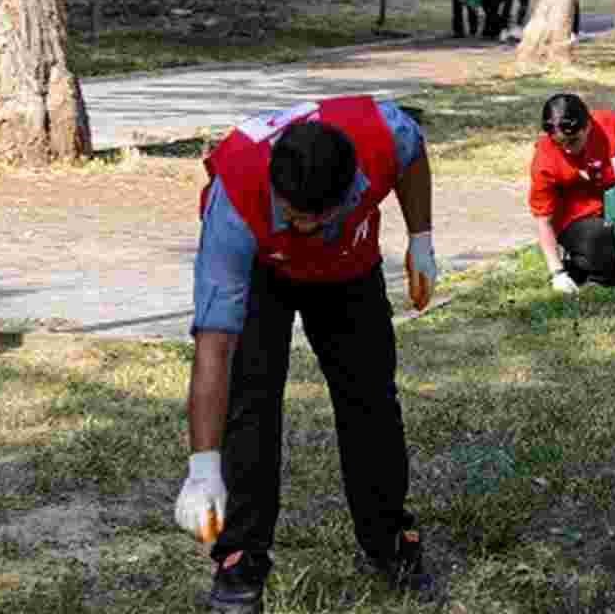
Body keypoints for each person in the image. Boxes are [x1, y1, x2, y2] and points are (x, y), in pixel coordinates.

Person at [174, 97, 438, 612]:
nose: (306, 231)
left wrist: (421, 237)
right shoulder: (236, 202)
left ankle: (387, 539)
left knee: (371, 399)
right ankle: (240, 562)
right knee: (250, 402)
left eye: (319, 218)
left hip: (347, 269)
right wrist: (202, 468)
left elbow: (414, 151)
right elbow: (214, 347)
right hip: (263, 269)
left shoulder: (383, 135)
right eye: (295, 217)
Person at [529, 93, 615, 293]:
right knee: (605, 241)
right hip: (577, 221)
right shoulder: (545, 157)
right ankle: (583, 265)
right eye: (559, 143)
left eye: (572, 141)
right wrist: (557, 274)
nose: (567, 149)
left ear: (588, 125)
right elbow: (543, 220)